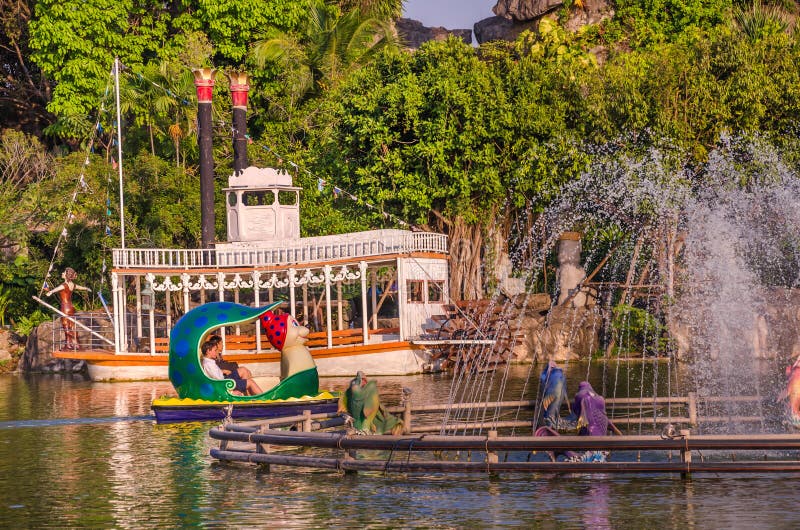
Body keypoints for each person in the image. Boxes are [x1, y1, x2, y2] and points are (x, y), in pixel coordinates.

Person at [45, 267, 91, 350]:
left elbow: (56, 289)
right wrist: (86, 288)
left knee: (66, 326)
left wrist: (50, 292)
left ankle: (70, 344)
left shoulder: (64, 285)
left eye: (63, 272)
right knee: (72, 325)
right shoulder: (72, 284)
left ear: (66, 275)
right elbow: (80, 287)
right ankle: (74, 344)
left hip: (65, 307)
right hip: (71, 307)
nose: (62, 273)